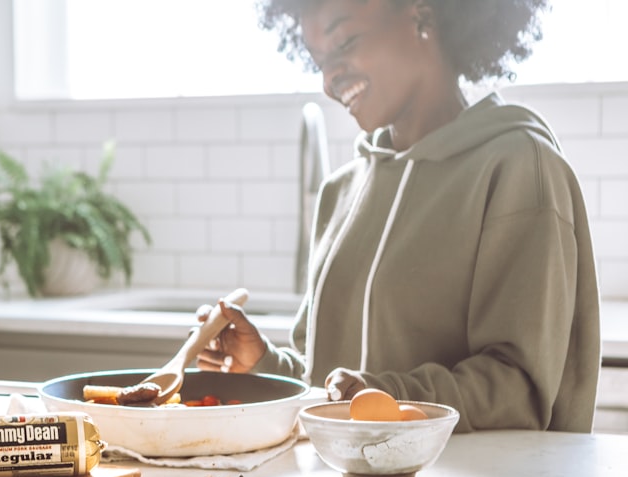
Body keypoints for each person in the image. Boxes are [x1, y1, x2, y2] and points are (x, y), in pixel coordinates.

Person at [197, 0, 600, 433]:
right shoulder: (342, 192)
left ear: (420, 14)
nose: (331, 79)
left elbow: (520, 390)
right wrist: (262, 363)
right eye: (320, 61)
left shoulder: (519, 167)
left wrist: (382, 397)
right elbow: (328, 384)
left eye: (345, 42)